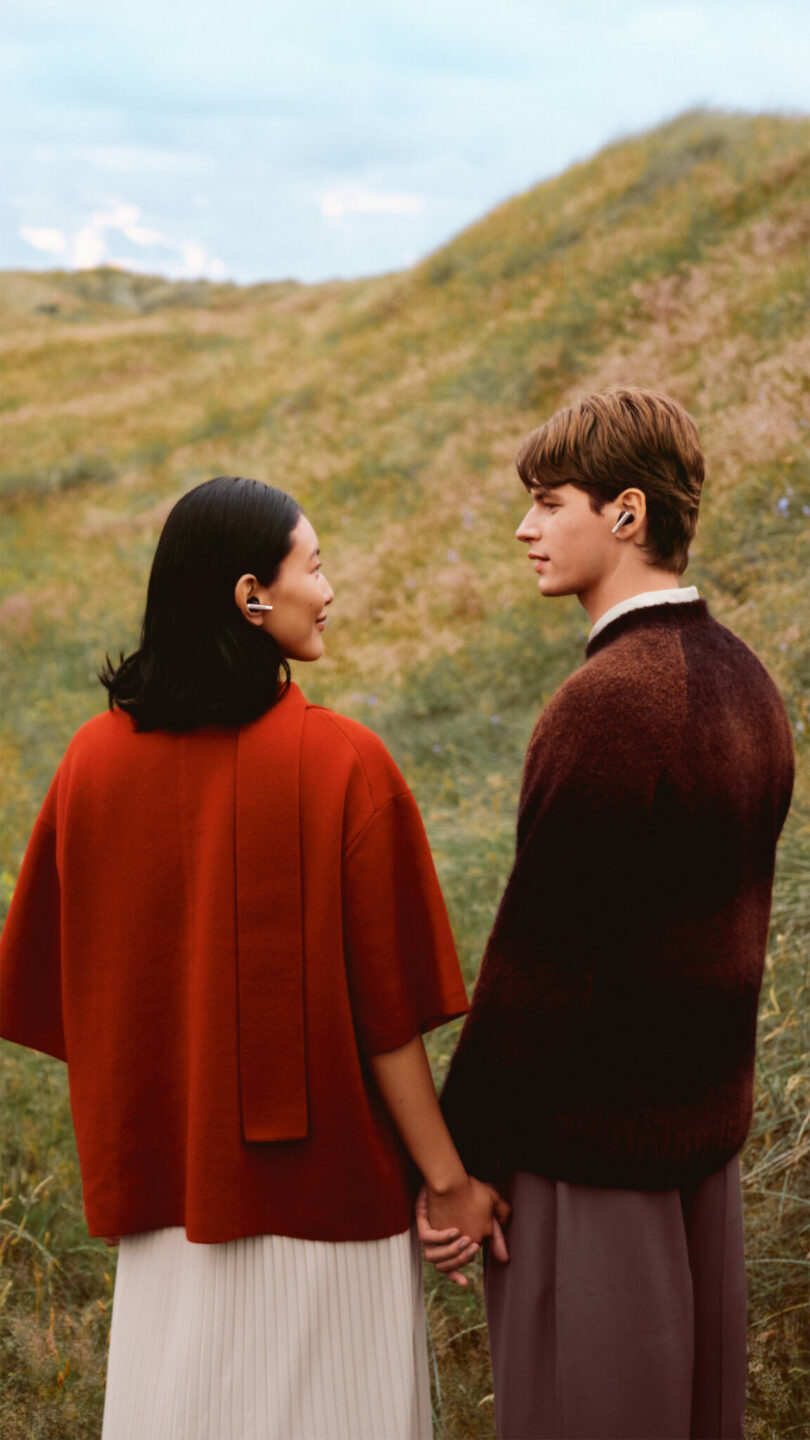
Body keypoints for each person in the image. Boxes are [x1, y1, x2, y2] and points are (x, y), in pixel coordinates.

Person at [0, 474, 509, 1440]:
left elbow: (80, 995)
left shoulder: (88, 765)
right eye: (315, 565)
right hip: (332, 1211)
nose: (331, 588)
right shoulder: (344, 762)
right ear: (251, 597)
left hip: (166, 1202)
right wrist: (449, 1183)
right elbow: (388, 1023)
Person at [419, 390, 795, 1440]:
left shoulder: (609, 705)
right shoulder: (750, 685)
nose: (525, 528)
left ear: (626, 514)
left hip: (592, 1165)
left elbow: (539, 963)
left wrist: (460, 1165)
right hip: (702, 1149)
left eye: (549, 503)